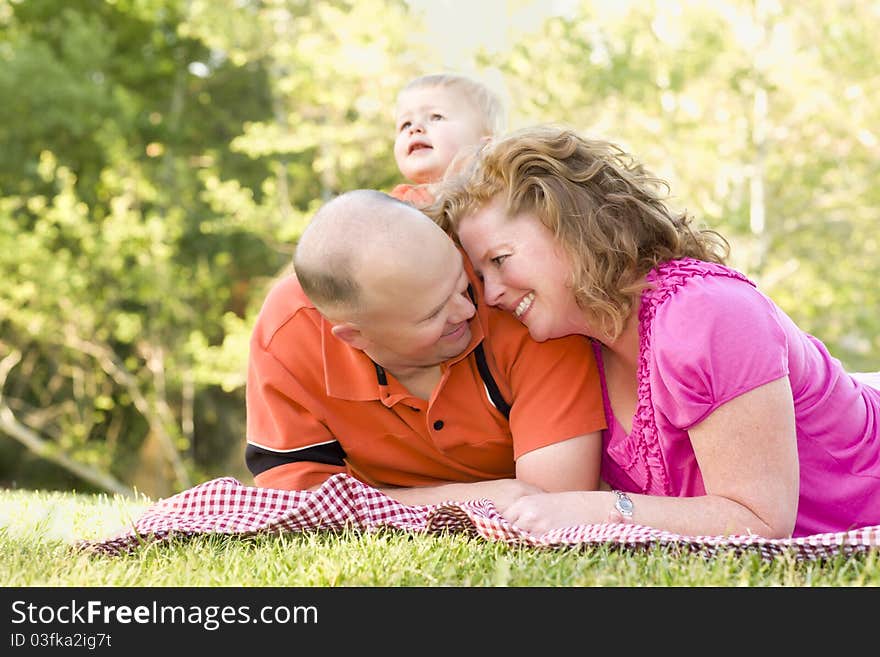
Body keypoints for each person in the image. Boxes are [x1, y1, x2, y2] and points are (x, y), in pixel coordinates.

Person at [431, 124, 880, 538]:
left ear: (568, 226)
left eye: (500, 260)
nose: (490, 296)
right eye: (480, 276)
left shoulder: (706, 314)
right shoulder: (578, 346)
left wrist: (598, 509)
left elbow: (759, 520)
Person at [245, 189, 606, 507]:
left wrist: (371, 502)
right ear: (355, 337)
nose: (468, 308)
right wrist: (470, 498)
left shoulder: (517, 301)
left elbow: (553, 502)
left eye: (461, 281)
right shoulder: (289, 333)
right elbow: (295, 505)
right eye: (433, 313)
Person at [391, 73, 504, 208]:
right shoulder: (398, 205)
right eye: (406, 124)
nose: (414, 128)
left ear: (484, 146)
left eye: (436, 117)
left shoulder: (501, 201)